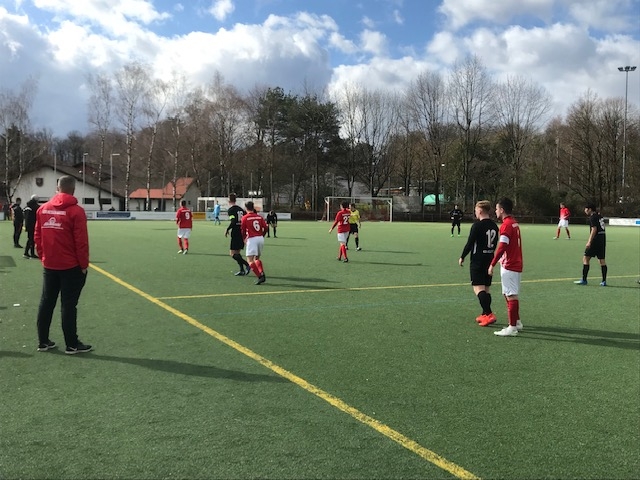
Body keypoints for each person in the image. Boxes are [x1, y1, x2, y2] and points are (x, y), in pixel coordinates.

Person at [34, 175, 92, 354]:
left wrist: (44, 257)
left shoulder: (43, 209)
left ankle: (43, 341)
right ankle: (72, 344)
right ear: (73, 190)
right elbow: (81, 242)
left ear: (57, 188)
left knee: (46, 302)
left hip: (50, 265)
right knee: (68, 305)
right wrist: (83, 265)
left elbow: (37, 237)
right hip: (71, 266)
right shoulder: (76, 211)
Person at [459, 200, 499, 327]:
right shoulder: (494, 226)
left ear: (480, 211)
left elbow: (470, 243)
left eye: (476, 210)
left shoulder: (477, 226)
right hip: (489, 259)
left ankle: (489, 313)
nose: (475, 212)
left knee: (478, 288)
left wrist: (462, 256)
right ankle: (484, 314)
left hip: (478, 260)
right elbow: (495, 243)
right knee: (486, 289)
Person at [488, 197, 524, 337]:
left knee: (511, 295)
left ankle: (512, 327)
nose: (495, 211)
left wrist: (492, 263)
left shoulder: (506, 225)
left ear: (502, 210)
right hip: (514, 262)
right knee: (508, 293)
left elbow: (502, 246)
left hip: (510, 264)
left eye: (497, 209)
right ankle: (517, 322)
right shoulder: (513, 223)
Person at [574, 202, 607, 286]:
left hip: (595, 240)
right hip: (602, 239)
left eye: (586, 209)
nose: (585, 210)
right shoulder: (599, 216)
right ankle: (604, 281)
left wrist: (589, 241)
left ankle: (584, 280)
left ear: (589, 209)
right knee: (602, 260)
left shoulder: (592, 217)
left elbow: (594, 229)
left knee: (585, 258)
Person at [241, 201, 268, 285]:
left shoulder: (245, 217)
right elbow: (266, 228)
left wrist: (244, 239)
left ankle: (260, 277)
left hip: (252, 239)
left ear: (246, 208)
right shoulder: (259, 217)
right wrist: (262, 235)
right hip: (260, 238)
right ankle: (261, 273)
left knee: (250, 260)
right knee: (257, 258)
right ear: (253, 207)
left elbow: (243, 230)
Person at [225, 193, 251, 276]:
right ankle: (242, 270)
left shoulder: (231, 210)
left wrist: (227, 229)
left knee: (232, 253)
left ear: (229, 200)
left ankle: (247, 265)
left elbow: (233, 221)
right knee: (237, 253)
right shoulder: (241, 209)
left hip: (236, 232)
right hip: (242, 231)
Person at [22, 194, 39, 259]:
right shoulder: (35, 207)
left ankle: (29, 253)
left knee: (30, 239)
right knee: (32, 239)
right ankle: (28, 253)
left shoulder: (27, 207)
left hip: (28, 225)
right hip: (33, 225)